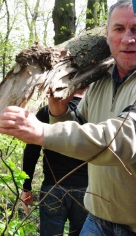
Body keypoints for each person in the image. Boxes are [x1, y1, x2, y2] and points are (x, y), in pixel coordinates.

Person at [0, 0, 136, 236]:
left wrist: (42, 132)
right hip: (96, 219)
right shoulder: (101, 79)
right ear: (107, 35)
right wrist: (59, 110)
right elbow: (80, 129)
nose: (127, 38)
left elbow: (127, 139)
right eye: (119, 29)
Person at [21, 89, 88, 236]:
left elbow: (31, 152)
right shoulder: (94, 113)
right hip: (87, 191)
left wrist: (26, 187)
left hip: (53, 188)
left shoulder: (47, 112)